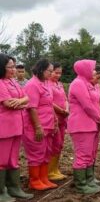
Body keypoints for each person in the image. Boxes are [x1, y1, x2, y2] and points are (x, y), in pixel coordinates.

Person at [67, 59, 100, 194]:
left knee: (89, 154)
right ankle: (81, 185)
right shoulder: (78, 83)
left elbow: (97, 103)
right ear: (84, 69)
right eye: (92, 68)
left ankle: (89, 180)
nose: (94, 71)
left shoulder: (88, 83)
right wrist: (99, 117)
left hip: (91, 124)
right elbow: (87, 105)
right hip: (81, 125)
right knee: (83, 155)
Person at [0, 54, 33, 201]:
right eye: (10, 67)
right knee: (1, 160)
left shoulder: (12, 82)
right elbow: (8, 103)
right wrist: (22, 102)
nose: (14, 70)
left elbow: (27, 98)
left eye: (14, 66)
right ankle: (1, 192)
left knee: (13, 159)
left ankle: (14, 188)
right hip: (4, 128)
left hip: (17, 125)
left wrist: (20, 101)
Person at [23, 59, 58, 191]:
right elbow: (32, 108)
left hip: (48, 124)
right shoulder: (32, 85)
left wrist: (54, 121)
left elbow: (49, 104)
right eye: (49, 71)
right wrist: (38, 127)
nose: (51, 73)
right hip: (35, 126)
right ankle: (34, 180)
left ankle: (44, 178)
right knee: (36, 153)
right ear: (41, 69)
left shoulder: (47, 83)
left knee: (46, 152)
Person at [48, 62, 69, 181]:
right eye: (56, 72)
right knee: (54, 144)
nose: (58, 75)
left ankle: (55, 169)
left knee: (60, 144)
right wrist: (61, 110)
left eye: (60, 73)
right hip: (54, 118)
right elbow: (49, 101)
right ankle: (50, 171)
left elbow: (65, 99)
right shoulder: (48, 84)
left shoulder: (59, 84)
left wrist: (66, 108)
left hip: (63, 118)